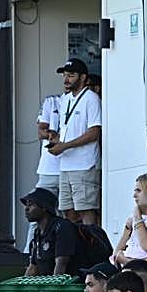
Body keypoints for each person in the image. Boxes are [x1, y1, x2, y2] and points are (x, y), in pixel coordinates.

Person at [49, 58, 102, 226]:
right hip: (65, 164)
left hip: (84, 164)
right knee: (68, 211)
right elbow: (68, 130)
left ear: (83, 77)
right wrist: (56, 140)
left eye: (71, 75)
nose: (66, 80)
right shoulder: (65, 100)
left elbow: (94, 132)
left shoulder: (91, 99)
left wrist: (64, 145)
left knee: (86, 209)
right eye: (65, 75)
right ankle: (76, 248)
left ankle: (92, 247)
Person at [23, 188, 80, 277]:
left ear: (44, 207)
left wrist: (54, 288)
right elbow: (33, 267)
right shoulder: (37, 232)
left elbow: (61, 264)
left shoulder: (61, 227)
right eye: (26, 205)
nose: (26, 208)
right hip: (47, 285)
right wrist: (22, 288)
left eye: (30, 205)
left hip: (68, 285)